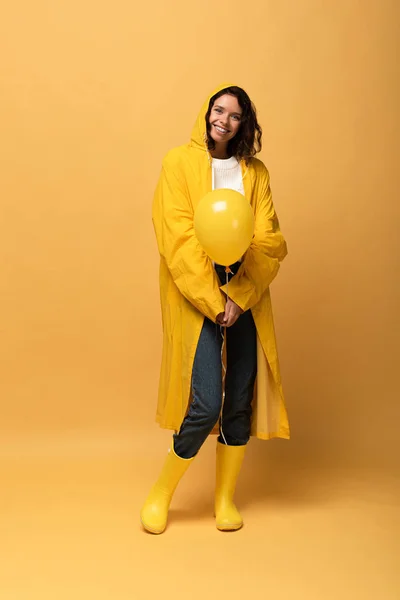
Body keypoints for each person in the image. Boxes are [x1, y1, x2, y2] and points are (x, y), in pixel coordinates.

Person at [140, 83, 289, 534]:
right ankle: (161, 493)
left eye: (235, 115)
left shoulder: (255, 172)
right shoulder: (178, 163)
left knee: (239, 397)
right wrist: (212, 298)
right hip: (196, 290)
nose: (224, 120)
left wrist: (239, 296)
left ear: (245, 124)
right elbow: (177, 238)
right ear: (206, 112)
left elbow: (269, 239)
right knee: (205, 401)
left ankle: (224, 500)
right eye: (218, 110)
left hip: (245, 286)